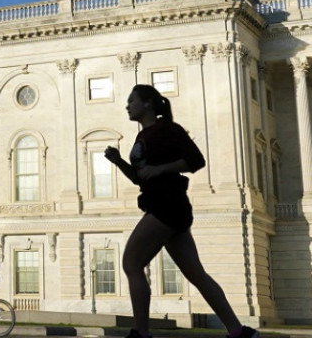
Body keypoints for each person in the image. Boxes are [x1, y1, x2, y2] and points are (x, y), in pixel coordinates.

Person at [104, 84, 258, 338]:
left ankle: (141, 333)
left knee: (131, 262)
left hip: (167, 204)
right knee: (195, 273)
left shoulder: (168, 129)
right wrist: (119, 161)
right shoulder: (143, 136)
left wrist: (161, 169)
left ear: (148, 104)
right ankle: (239, 331)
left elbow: (196, 161)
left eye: (132, 100)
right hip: (162, 204)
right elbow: (140, 178)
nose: (127, 105)